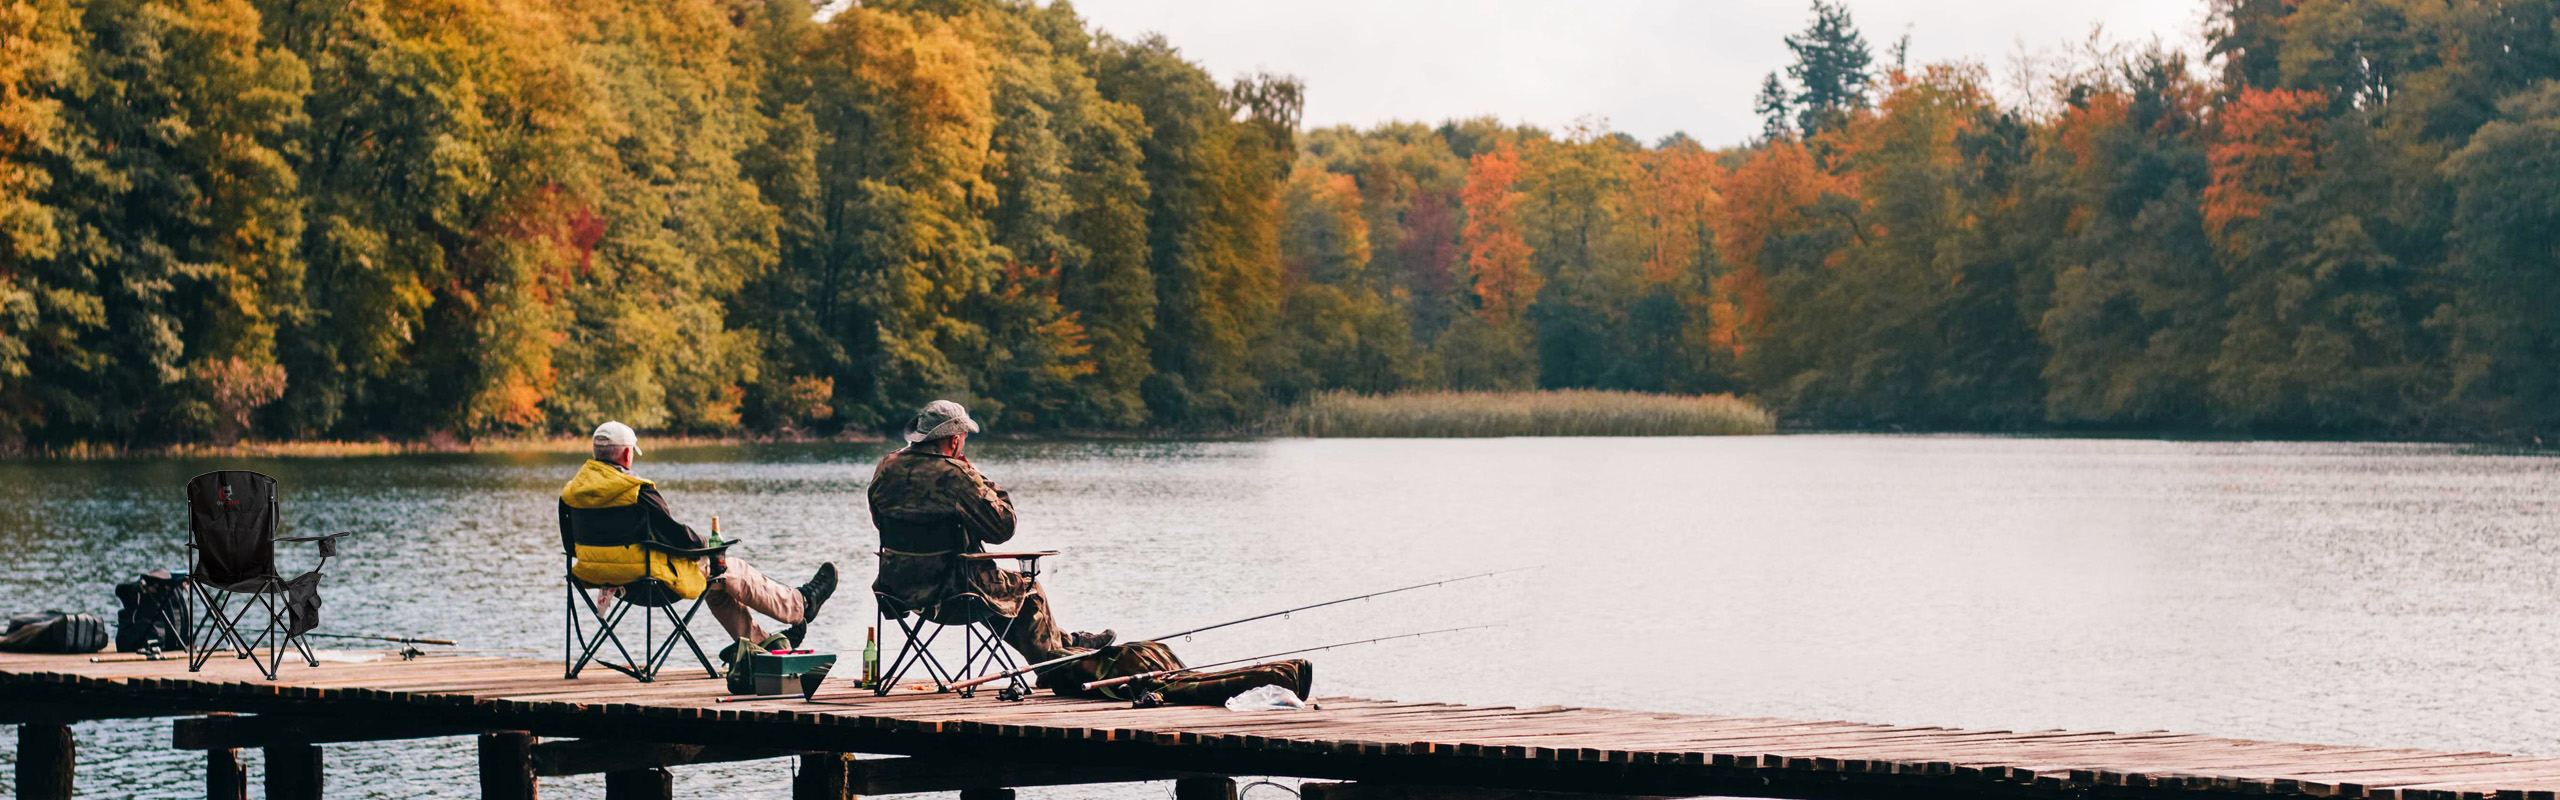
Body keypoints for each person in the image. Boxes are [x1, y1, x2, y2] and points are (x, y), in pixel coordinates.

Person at [561, 421, 837, 659]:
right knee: (729, 569)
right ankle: (800, 604)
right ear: (626, 453)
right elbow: (677, 537)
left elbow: (570, 545)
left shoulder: (572, 493)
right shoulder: (636, 491)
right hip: (649, 581)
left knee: (717, 587)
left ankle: (762, 646)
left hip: (600, 579)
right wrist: (707, 545)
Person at [867, 400, 1113, 662]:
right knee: (1026, 588)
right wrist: (975, 474)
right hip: (951, 591)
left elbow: (880, 521)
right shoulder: (957, 474)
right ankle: (1055, 663)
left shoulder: (886, 466)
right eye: (963, 439)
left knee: (993, 591)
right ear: (953, 441)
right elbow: (1003, 528)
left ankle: (1068, 643)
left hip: (899, 588)